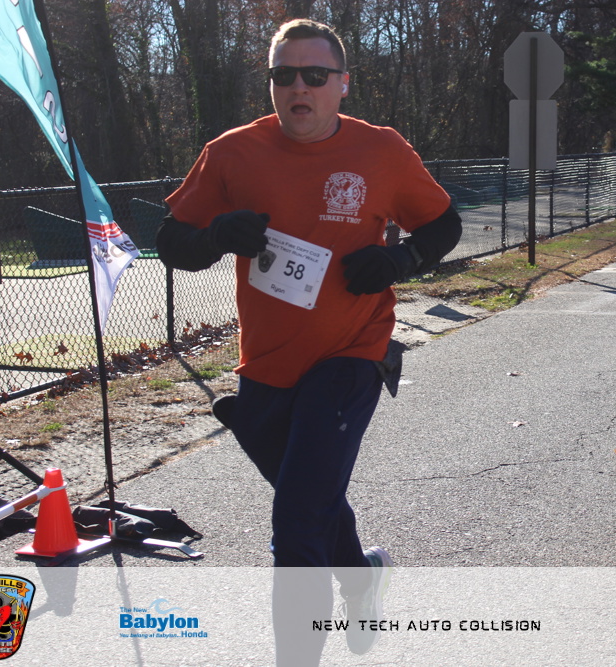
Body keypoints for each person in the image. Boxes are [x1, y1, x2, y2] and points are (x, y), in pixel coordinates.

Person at [156, 18, 462, 663]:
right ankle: (362, 578)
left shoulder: (381, 151)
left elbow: (443, 225)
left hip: (351, 353)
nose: (299, 87)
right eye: (284, 75)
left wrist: (400, 261)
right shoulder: (231, 153)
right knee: (312, 498)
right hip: (266, 366)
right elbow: (172, 242)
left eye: (315, 75)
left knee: (296, 523)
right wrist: (216, 236)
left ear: (342, 84)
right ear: (271, 83)